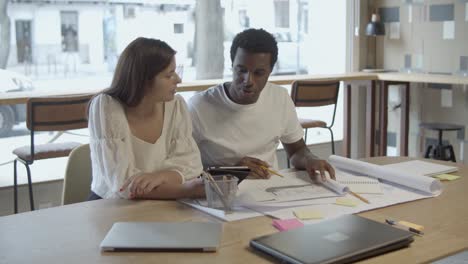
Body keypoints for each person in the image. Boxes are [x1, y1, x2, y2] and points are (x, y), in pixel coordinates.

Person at [188, 28, 335, 181]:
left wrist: (309, 159)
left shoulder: (280, 98)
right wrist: (233, 171)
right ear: (232, 65)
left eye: (258, 73)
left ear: (270, 71)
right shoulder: (199, 106)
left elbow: (297, 150)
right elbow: (184, 171)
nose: (248, 80)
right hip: (219, 193)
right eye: (241, 71)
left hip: (269, 191)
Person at [88, 37, 203, 200]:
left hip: (163, 204)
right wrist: (186, 189)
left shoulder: (176, 105)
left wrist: (161, 176)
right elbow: (123, 186)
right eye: (169, 75)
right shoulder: (106, 106)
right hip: (111, 207)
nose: (178, 79)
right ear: (143, 80)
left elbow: (192, 164)